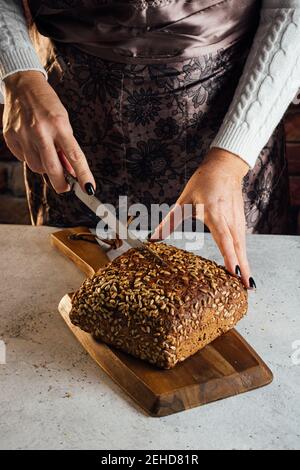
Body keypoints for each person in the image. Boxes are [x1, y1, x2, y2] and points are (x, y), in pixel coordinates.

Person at [1, 0, 300, 289]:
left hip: (232, 116)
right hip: (72, 118)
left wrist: (232, 158)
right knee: (62, 293)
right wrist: (18, 72)